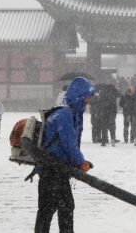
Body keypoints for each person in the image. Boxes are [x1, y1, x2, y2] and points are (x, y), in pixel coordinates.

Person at [33, 77, 96, 233]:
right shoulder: (64, 114)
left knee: (60, 208)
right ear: (79, 96)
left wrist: (79, 162)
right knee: (52, 209)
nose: (89, 101)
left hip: (58, 170)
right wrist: (81, 162)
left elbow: (68, 145)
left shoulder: (70, 113)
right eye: (87, 96)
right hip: (52, 170)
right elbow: (69, 144)